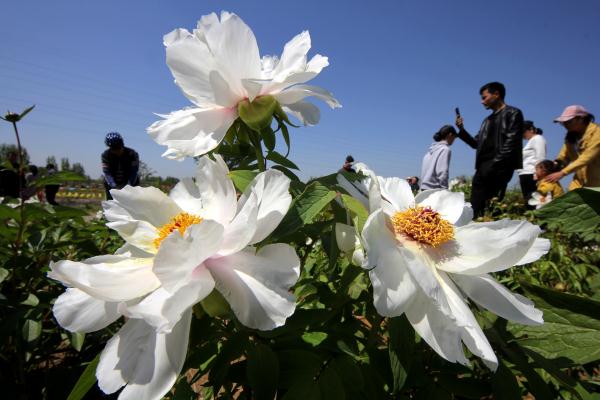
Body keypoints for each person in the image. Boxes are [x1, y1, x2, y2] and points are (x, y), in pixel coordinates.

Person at [455, 82, 524, 218]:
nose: (482, 101)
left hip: (500, 167)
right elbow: (476, 143)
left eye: (484, 97)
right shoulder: (487, 121)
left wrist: (496, 164)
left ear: (496, 94)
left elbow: (512, 142)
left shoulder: (513, 113)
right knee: (475, 206)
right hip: (482, 168)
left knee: (493, 206)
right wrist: (461, 130)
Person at [545, 105, 600, 190]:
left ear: (581, 119)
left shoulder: (597, 133)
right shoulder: (571, 137)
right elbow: (564, 156)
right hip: (579, 181)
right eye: (563, 123)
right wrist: (557, 164)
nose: (565, 125)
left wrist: (563, 173)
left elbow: (587, 157)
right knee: (568, 201)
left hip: (597, 182)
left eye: (569, 121)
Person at [101, 132, 140, 200]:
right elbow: (107, 173)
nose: (117, 151)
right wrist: (114, 186)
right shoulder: (105, 155)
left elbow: (134, 171)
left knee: (132, 200)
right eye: (114, 149)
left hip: (129, 180)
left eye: (119, 147)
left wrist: (128, 186)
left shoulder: (132, 153)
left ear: (122, 144)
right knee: (111, 201)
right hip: (113, 182)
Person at [420, 125, 458, 190]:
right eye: (454, 137)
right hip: (434, 190)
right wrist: (445, 190)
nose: (454, 140)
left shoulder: (430, 151)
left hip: (423, 189)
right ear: (450, 135)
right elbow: (442, 172)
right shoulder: (445, 149)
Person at [518, 120, 546, 205]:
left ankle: (535, 218)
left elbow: (540, 156)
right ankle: (531, 217)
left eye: (523, 131)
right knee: (528, 201)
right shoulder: (530, 141)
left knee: (533, 201)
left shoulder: (538, 138)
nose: (522, 135)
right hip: (525, 174)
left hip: (532, 174)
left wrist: (537, 173)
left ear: (531, 129)